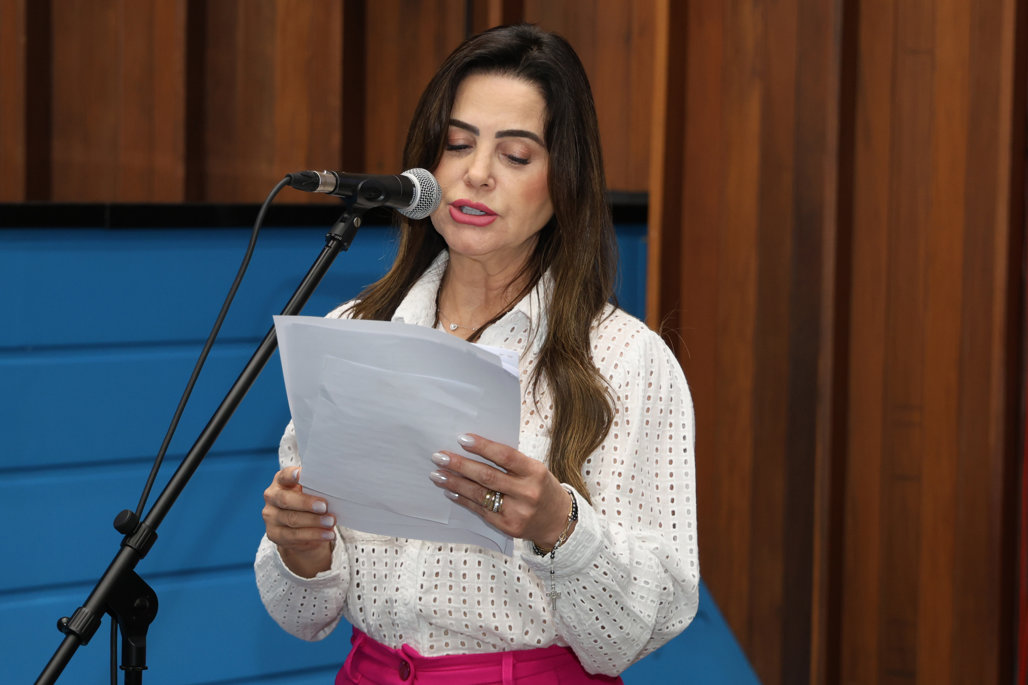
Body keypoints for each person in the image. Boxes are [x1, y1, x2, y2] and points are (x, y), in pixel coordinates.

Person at [256, 23, 699, 684]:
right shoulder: (355, 330)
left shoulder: (626, 358)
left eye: (515, 155)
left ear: (564, 180)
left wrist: (559, 528)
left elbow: (647, 625)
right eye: (458, 144)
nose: (477, 173)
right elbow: (303, 615)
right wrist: (302, 551)